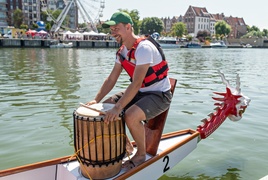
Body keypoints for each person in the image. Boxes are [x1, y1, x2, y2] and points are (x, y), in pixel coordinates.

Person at [86, 11, 172, 170]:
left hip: (160, 95)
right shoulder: (121, 52)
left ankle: (141, 154)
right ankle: (126, 147)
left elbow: (137, 83)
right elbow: (111, 79)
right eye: (111, 30)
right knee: (104, 108)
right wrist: (96, 100)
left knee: (130, 116)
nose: (113, 33)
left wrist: (118, 108)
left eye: (116, 29)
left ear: (128, 27)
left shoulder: (144, 48)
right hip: (141, 92)